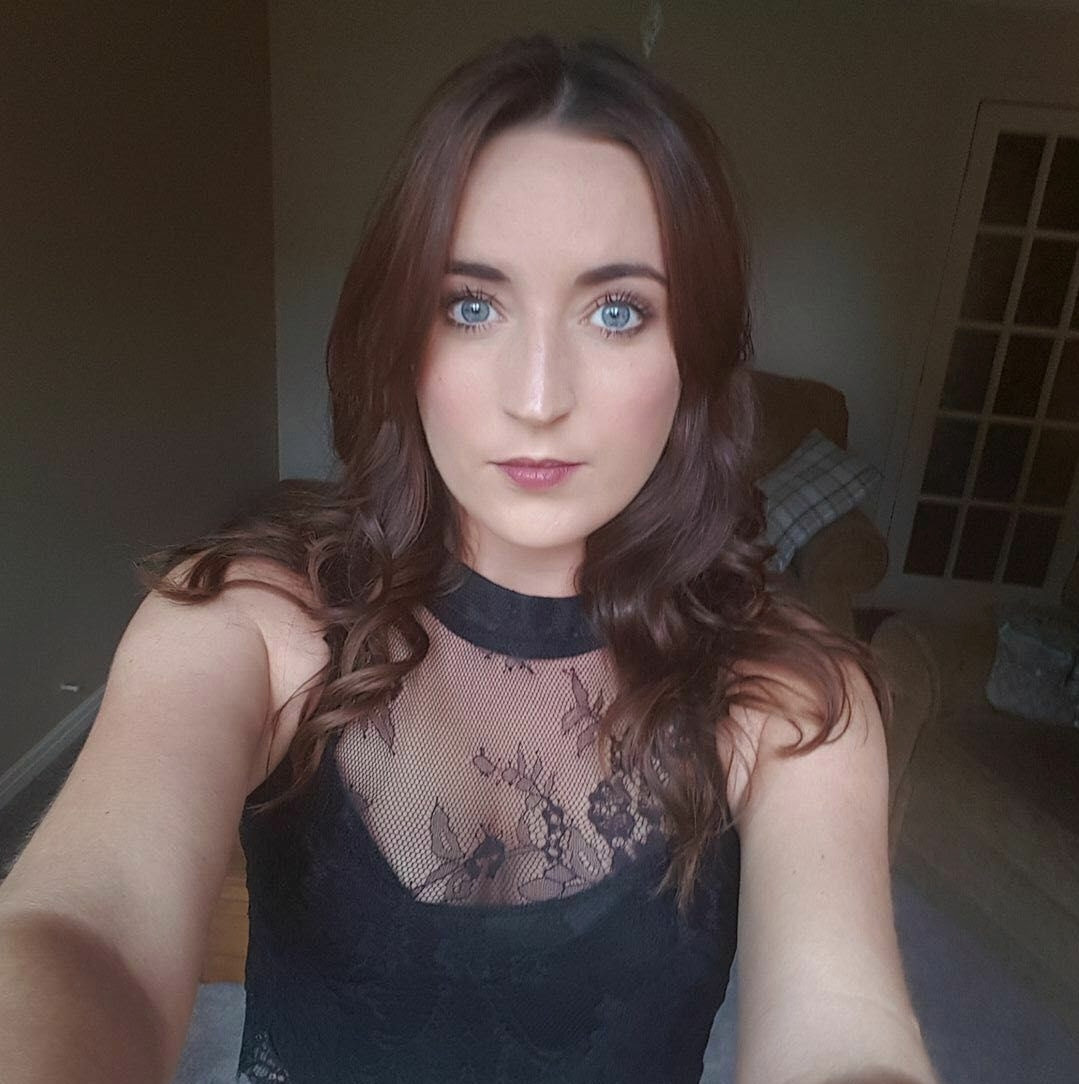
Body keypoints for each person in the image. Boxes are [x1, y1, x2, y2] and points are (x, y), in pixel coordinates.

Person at [0, 33, 937, 1084]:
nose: (537, 396)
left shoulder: (787, 702)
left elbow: (844, 1036)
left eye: (616, 310)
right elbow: (86, 933)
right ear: (401, 335)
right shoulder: (251, 623)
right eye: (471, 305)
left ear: (694, 358)